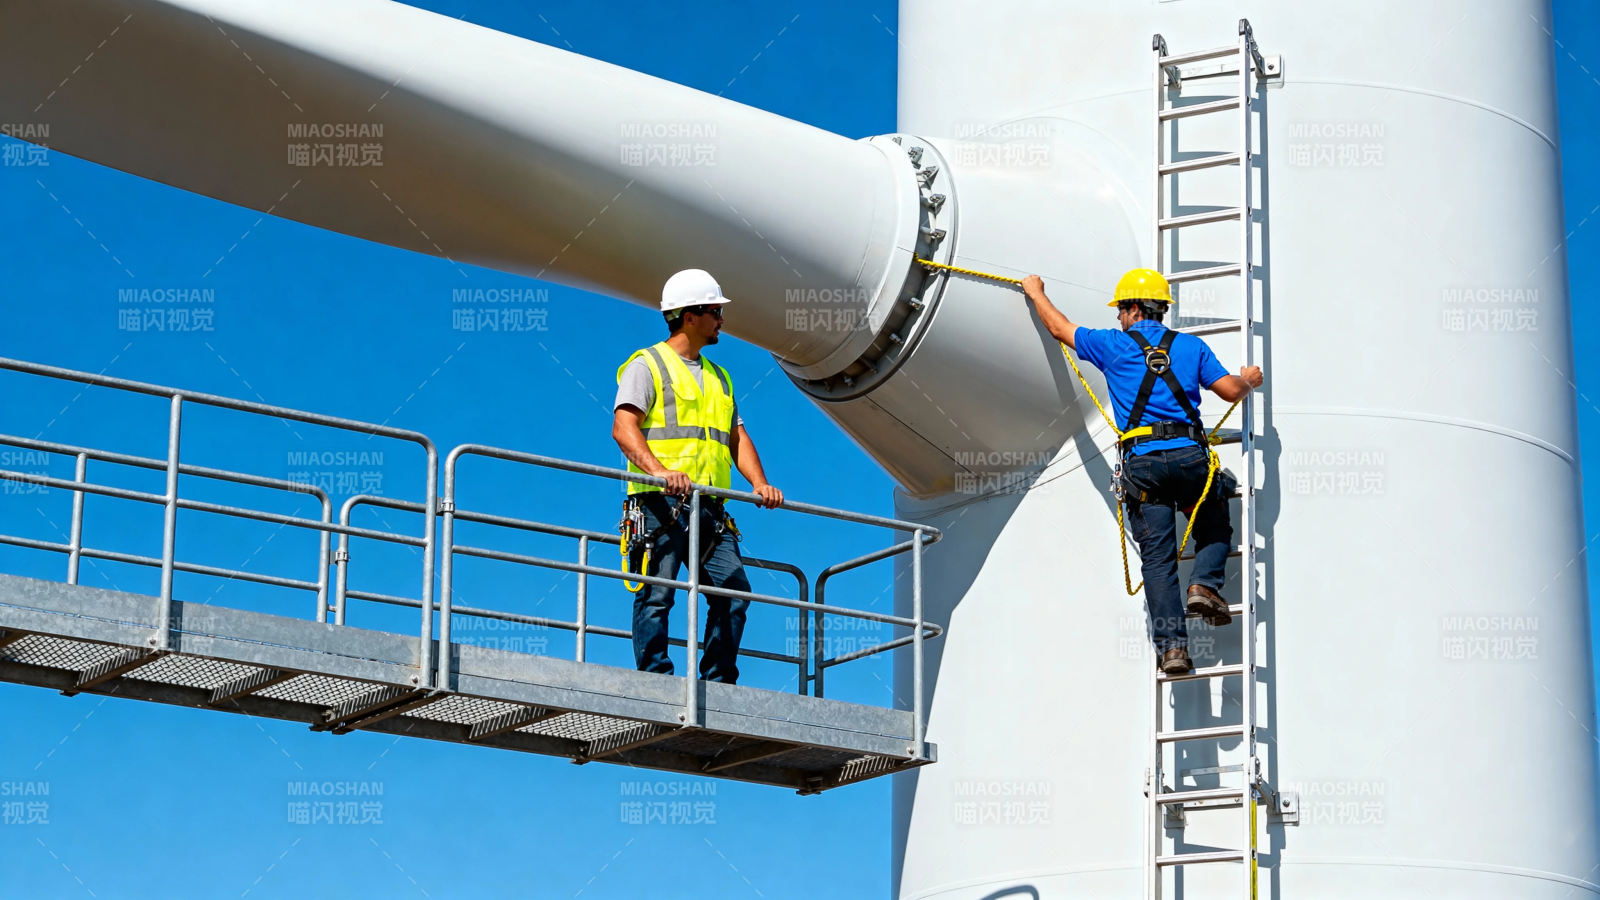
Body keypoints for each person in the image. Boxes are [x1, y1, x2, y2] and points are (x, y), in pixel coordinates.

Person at [1020, 268, 1263, 675]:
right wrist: (1249, 378)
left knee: (1157, 560)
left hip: (1144, 466)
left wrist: (1035, 292)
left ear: (1134, 308)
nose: (1118, 318)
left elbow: (1058, 328)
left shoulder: (1112, 345)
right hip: (1189, 459)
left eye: (1120, 310)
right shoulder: (1190, 347)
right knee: (1215, 524)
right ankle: (1204, 585)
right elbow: (1232, 391)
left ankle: (1172, 649)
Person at [612, 268, 784, 684]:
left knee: (734, 592)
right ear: (690, 316)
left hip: (710, 506)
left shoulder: (718, 378)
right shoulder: (647, 365)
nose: (721, 320)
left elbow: (736, 438)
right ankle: (656, 679)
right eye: (714, 311)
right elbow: (623, 428)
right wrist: (659, 472)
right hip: (659, 503)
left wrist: (759, 484)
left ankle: (718, 683)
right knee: (658, 593)